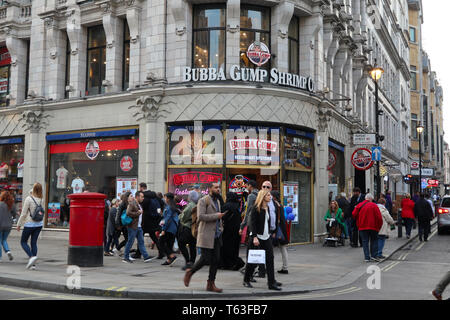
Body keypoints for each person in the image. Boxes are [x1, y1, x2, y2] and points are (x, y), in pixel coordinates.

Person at [184, 182, 226, 293]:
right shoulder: (203, 200)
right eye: (216, 187)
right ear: (210, 189)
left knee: (216, 260)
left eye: (219, 187)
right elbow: (201, 216)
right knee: (205, 258)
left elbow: (219, 217)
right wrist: (217, 216)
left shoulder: (217, 201)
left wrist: (221, 227)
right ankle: (190, 272)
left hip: (216, 234)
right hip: (206, 234)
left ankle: (211, 283)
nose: (218, 189)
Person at [243, 189, 282, 291]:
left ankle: (271, 283)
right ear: (263, 196)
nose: (270, 197)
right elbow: (252, 224)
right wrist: (255, 237)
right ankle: (246, 279)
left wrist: (270, 233)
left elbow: (267, 222)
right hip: (257, 238)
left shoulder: (267, 207)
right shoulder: (255, 208)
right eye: (268, 195)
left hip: (266, 237)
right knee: (253, 261)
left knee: (270, 259)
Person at [133, 183, 164, 260]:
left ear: (141, 188)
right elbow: (162, 204)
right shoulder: (155, 195)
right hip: (154, 220)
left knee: (140, 236)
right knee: (153, 236)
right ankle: (161, 252)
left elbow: (140, 207)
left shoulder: (144, 197)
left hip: (145, 220)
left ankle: (138, 253)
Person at [17, 183, 44, 270]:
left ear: (33, 189)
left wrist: (18, 224)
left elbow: (23, 214)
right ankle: (33, 265)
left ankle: (31, 257)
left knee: (23, 242)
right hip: (39, 224)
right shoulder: (41, 199)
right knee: (33, 243)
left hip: (29, 224)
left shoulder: (28, 199)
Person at [122, 191, 155, 263]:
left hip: (139, 227)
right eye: (141, 197)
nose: (143, 198)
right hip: (133, 226)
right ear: (137, 197)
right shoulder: (132, 203)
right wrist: (138, 213)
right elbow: (128, 213)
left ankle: (146, 257)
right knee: (130, 241)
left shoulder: (139, 204)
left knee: (141, 242)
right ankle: (125, 257)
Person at [352, 193, 383, 263]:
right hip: (373, 227)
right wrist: (379, 226)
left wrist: (359, 220)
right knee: (374, 240)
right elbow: (379, 218)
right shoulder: (374, 206)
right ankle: (374, 256)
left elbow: (353, 214)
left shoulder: (359, 205)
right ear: (371, 199)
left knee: (365, 242)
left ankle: (367, 257)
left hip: (362, 226)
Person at [220, 192, 244, 271]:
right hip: (237, 230)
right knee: (235, 247)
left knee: (226, 247)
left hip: (228, 229)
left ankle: (227, 263)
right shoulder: (238, 206)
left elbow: (223, 217)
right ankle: (234, 262)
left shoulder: (226, 206)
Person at [178, 190, 199, 270]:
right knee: (192, 245)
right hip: (195, 228)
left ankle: (188, 262)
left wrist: (180, 216)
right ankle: (192, 262)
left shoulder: (190, 205)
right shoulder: (197, 205)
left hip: (188, 227)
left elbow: (184, 217)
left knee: (181, 243)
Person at [271, 191, 289, 275]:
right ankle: (285, 267)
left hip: (276, 230)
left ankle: (268, 267)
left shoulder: (274, 205)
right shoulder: (280, 205)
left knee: (270, 249)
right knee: (283, 248)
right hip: (282, 229)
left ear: (274, 197)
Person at [159, 192, 179, 266]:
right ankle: (169, 260)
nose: (164, 199)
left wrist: (163, 229)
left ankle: (171, 256)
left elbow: (168, 219)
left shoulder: (169, 207)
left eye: (165, 198)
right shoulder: (172, 206)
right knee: (169, 244)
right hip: (173, 228)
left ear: (167, 199)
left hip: (169, 228)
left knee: (161, 242)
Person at [0, 191, 15, 262]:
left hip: (0, 225)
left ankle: (0, 257)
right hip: (8, 226)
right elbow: (14, 215)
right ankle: (8, 251)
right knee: (4, 240)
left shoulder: (0, 204)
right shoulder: (11, 204)